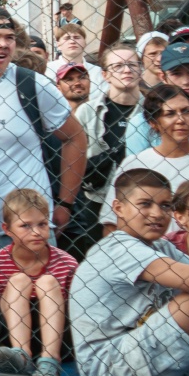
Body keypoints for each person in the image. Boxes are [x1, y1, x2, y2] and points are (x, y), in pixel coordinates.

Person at [71, 169, 189, 376]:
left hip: (157, 359)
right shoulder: (118, 248)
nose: (157, 213)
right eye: (145, 204)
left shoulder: (162, 246)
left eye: (165, 205)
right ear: (119, 208)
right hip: (110, 370)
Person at [0, 5, 85, 260]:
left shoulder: (31, 84)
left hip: (26, 234)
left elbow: (75, 137)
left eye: (9, 37)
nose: (3, 44)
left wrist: (66, 203)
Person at [0, 189, 75, 376]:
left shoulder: (66, 263)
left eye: (42, 224)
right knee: (19, 281)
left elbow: (78, 312)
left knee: (47, 282)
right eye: (25, 226)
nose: (36, 232)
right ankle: (21, 356)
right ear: (7, 229)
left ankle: (50, 362)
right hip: (8, 337)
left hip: (57, 337)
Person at [74, 42, 145, 240]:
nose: (126, 70)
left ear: (141, 70)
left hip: (143, 198)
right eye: (118, 66)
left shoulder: (153, 110)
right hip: (97, 198)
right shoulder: (87, 112)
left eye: (132, 65)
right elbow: (75, 157)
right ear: (105, 75)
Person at [121, 83, 189, 198]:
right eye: (170, 114)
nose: (181, 120)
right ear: (153, 122)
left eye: (186, 111)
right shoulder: (135, 164)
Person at [48, 20, 102, 90]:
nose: (72, 41)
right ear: (58, 45)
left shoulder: (98, 72)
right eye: (67, 38)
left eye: (76, 37)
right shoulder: (48, 70)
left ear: (85, 43)